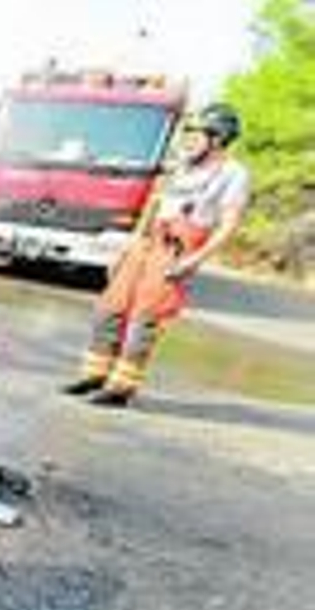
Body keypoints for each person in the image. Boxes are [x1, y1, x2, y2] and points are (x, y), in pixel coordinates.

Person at [62, 103, 252, 408]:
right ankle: (96, 375)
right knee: (110, 308)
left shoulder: (234, 174)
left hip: (177, 250)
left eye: (196, 133)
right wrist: (128, 247)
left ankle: (121, 388)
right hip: (147, 243)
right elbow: (153, 205)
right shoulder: (181, 164)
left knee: (144, 318)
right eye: (187, 132)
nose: (188, 138)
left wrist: (194, 260)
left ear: (217, 139)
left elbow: (228, 225)